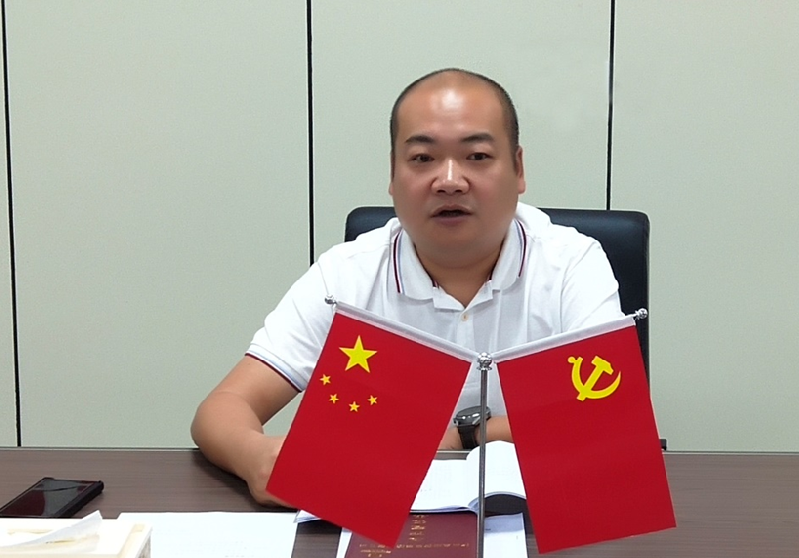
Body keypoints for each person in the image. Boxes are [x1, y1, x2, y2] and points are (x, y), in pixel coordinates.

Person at [191, 68, 624, 506]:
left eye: (477, 156)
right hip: (371, 515)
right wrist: (256, 458)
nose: (450, 180)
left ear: (518, 169)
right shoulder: (346, 274)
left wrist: (458, 436)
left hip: (537, 519)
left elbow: (608, 417)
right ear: (393, 175)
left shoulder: (571, 264)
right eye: (422, 158)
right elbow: (222, 408)